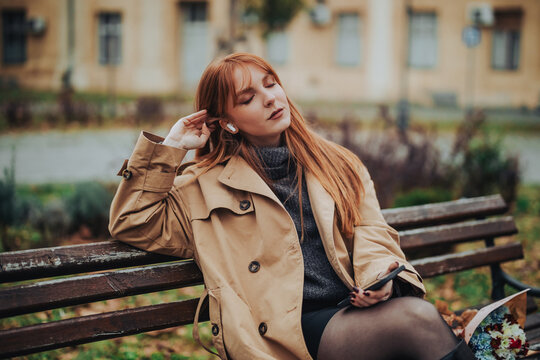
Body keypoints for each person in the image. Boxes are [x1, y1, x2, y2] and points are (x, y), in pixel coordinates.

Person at [109, 53, 474, 360]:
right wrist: (172, 148)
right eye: (248, 97)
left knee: (422, 325)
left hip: (353, 310)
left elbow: (372, 232)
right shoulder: (202, 187)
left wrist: (380, 279)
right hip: (286, 332)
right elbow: (132, 221)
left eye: (270, 83)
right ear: (227, 122)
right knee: (418, 320)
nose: (270, 98)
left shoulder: (337, 164)